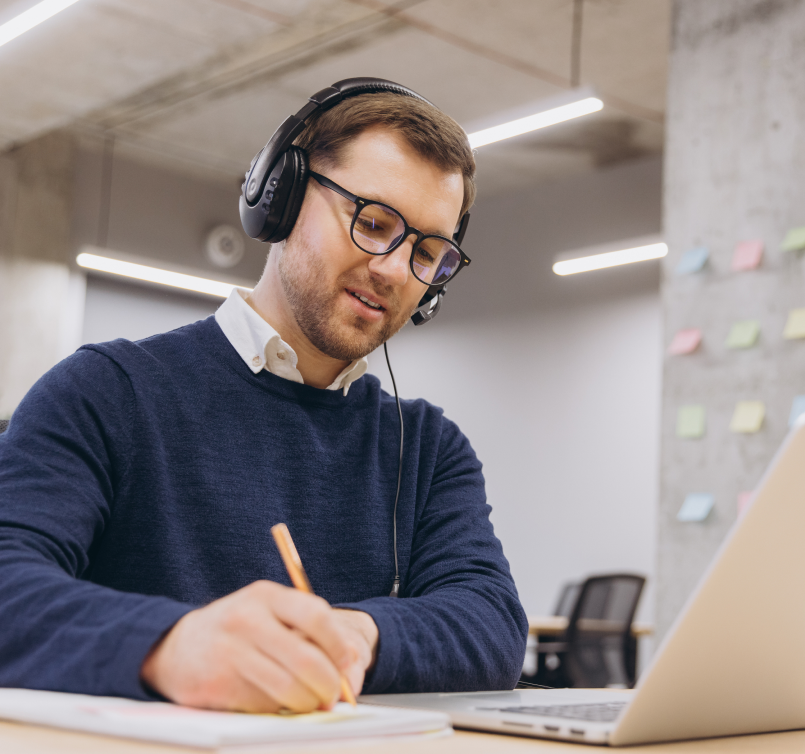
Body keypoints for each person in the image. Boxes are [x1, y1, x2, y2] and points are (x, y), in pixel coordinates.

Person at [0, 81, 527, 713]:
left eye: (426, 252)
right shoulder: (106, 392)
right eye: (374, 222)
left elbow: (491, 622)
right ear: (282, 198)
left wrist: (361, 635)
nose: (392, 270)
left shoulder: (428, 447)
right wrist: (169, 644)